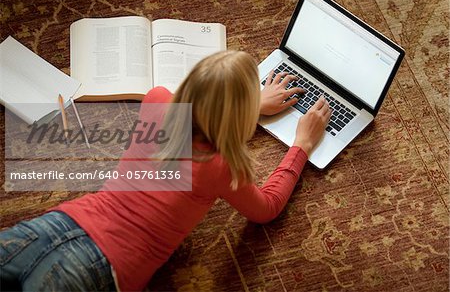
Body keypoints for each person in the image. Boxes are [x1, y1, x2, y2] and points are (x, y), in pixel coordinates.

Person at [0, 51, 331, 291]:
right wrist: (301, 144)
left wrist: (249, 105)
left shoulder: (156, 99)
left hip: (63, 223)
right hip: (98, 266)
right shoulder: (219, 165)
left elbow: (192, 112)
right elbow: (266, 208)